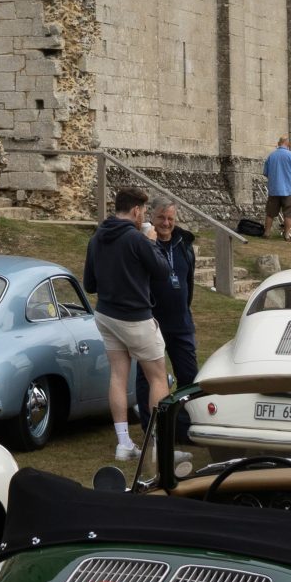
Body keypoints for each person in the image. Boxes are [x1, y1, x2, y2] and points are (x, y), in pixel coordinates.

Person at [84, 185, 177, 464]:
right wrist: (152, 243)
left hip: (106, 315)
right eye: (144, 211)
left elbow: (89, 284)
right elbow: (162, 271)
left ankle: (124, 443)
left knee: (118, 375)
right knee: (158, 377)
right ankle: (160, 448)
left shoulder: (97, 237)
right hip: (135, 317)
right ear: (136, 210)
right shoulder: (137, 239)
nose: (144, 216)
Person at [134, 199, 200, 429]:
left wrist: (185, 309)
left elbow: (188, 281)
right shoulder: (144, 244)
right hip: (152, 322)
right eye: (161, 218)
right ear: (152, 217)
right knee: (147, 378)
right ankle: (150, 426)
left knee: (189, 376)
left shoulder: (183, 244)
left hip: (181, 322)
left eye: (170, 218)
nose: (166, 223)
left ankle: (183, 424)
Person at [263, 134, 291, 238]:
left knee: (270, 213)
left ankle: (267, 233)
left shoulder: (271, 156)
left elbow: (265, 173)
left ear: (279, 143)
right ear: (287, 143)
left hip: (274, 189)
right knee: (288, 214)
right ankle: (286, 235)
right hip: (288, 189)